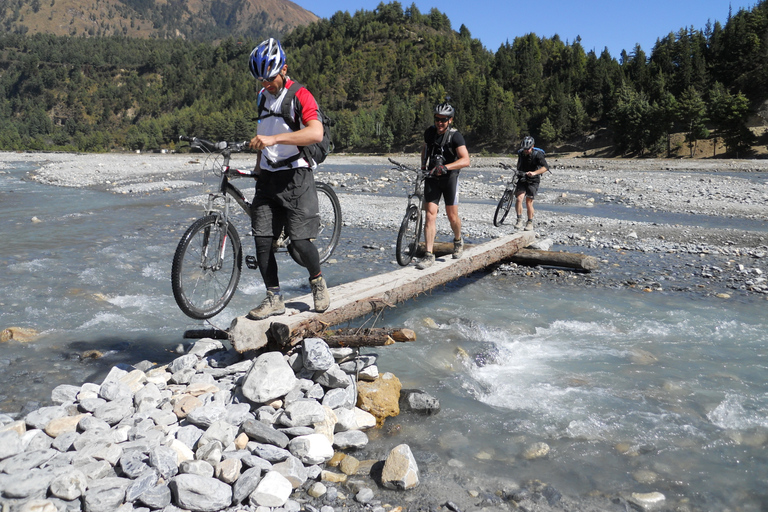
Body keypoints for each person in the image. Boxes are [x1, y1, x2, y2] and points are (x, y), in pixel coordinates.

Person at [246, 37, 329, 320]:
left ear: (284, 69)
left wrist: (274, 139)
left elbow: (315, 133)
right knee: (262, 240)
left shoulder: (300, 95)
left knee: (300, 242)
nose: (265, 84)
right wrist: (259, 165)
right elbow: (263, 132)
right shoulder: (261, 97)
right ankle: (274, 298)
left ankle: (317, 281)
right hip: (269, 177)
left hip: (296, 176)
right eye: (260, 79)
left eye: (269, 78)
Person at [415, 101, 470, 270]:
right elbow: (425, 148)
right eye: (437, 119)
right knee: (430, 215)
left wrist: (446, 167)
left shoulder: (456, 136)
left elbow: (466, 160)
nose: (440, 123)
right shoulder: (429, 133)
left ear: (450, 120)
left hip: (449, 178)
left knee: (452, 216)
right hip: (432, 177)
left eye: (443, 120)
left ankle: (458, 240)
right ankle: (429, 254)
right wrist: (424, 167)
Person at [513, 135, 548, 231]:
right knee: (519, 198)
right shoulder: (521, 153)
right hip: (523, 177)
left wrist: (534, 173)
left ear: (532, 146)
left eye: (528, 149)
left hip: (533, 180)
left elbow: (545, 168)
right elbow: (519, 164)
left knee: (529, 202)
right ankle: (519, 220)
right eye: (524, 149)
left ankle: (529, 222)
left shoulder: (538, 154)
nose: (526, 150)